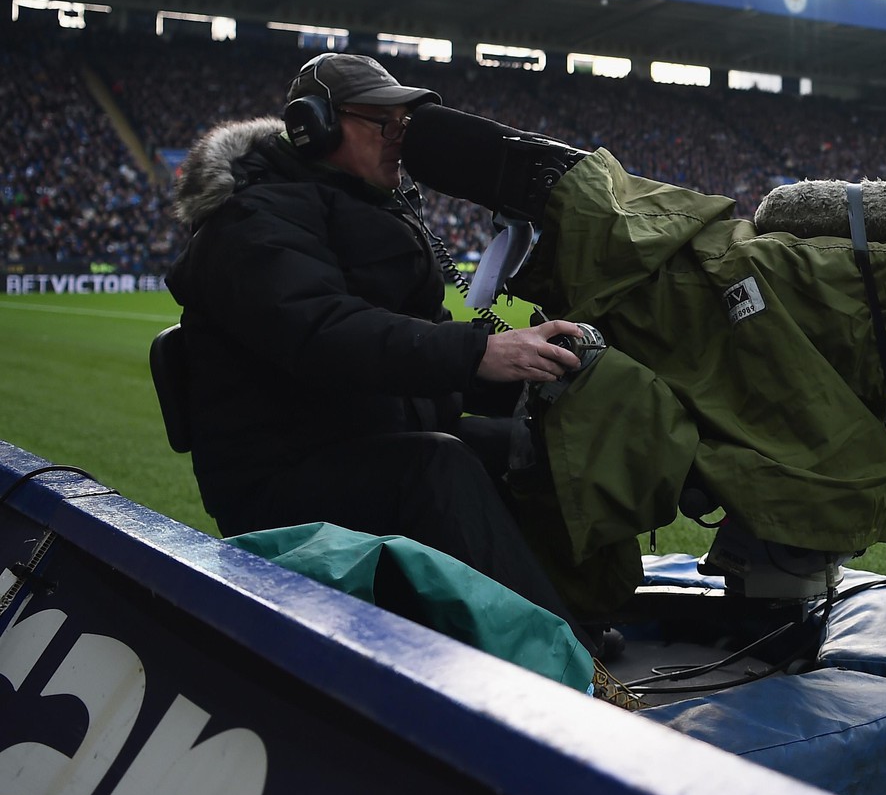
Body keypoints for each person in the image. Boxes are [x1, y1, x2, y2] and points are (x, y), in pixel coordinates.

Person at [166, 52, 600, 654]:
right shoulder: (251, 223)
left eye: (406, 122)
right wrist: (478, 353)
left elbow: (419, 355)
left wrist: (533, 372)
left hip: (366, 445)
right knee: (437, 468)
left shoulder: (364, 209)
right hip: (280, 481)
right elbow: (328, 332)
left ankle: (576, 616)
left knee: (529, 444)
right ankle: (570, 668)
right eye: (383, 122)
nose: (402, 136)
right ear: (312, 125)